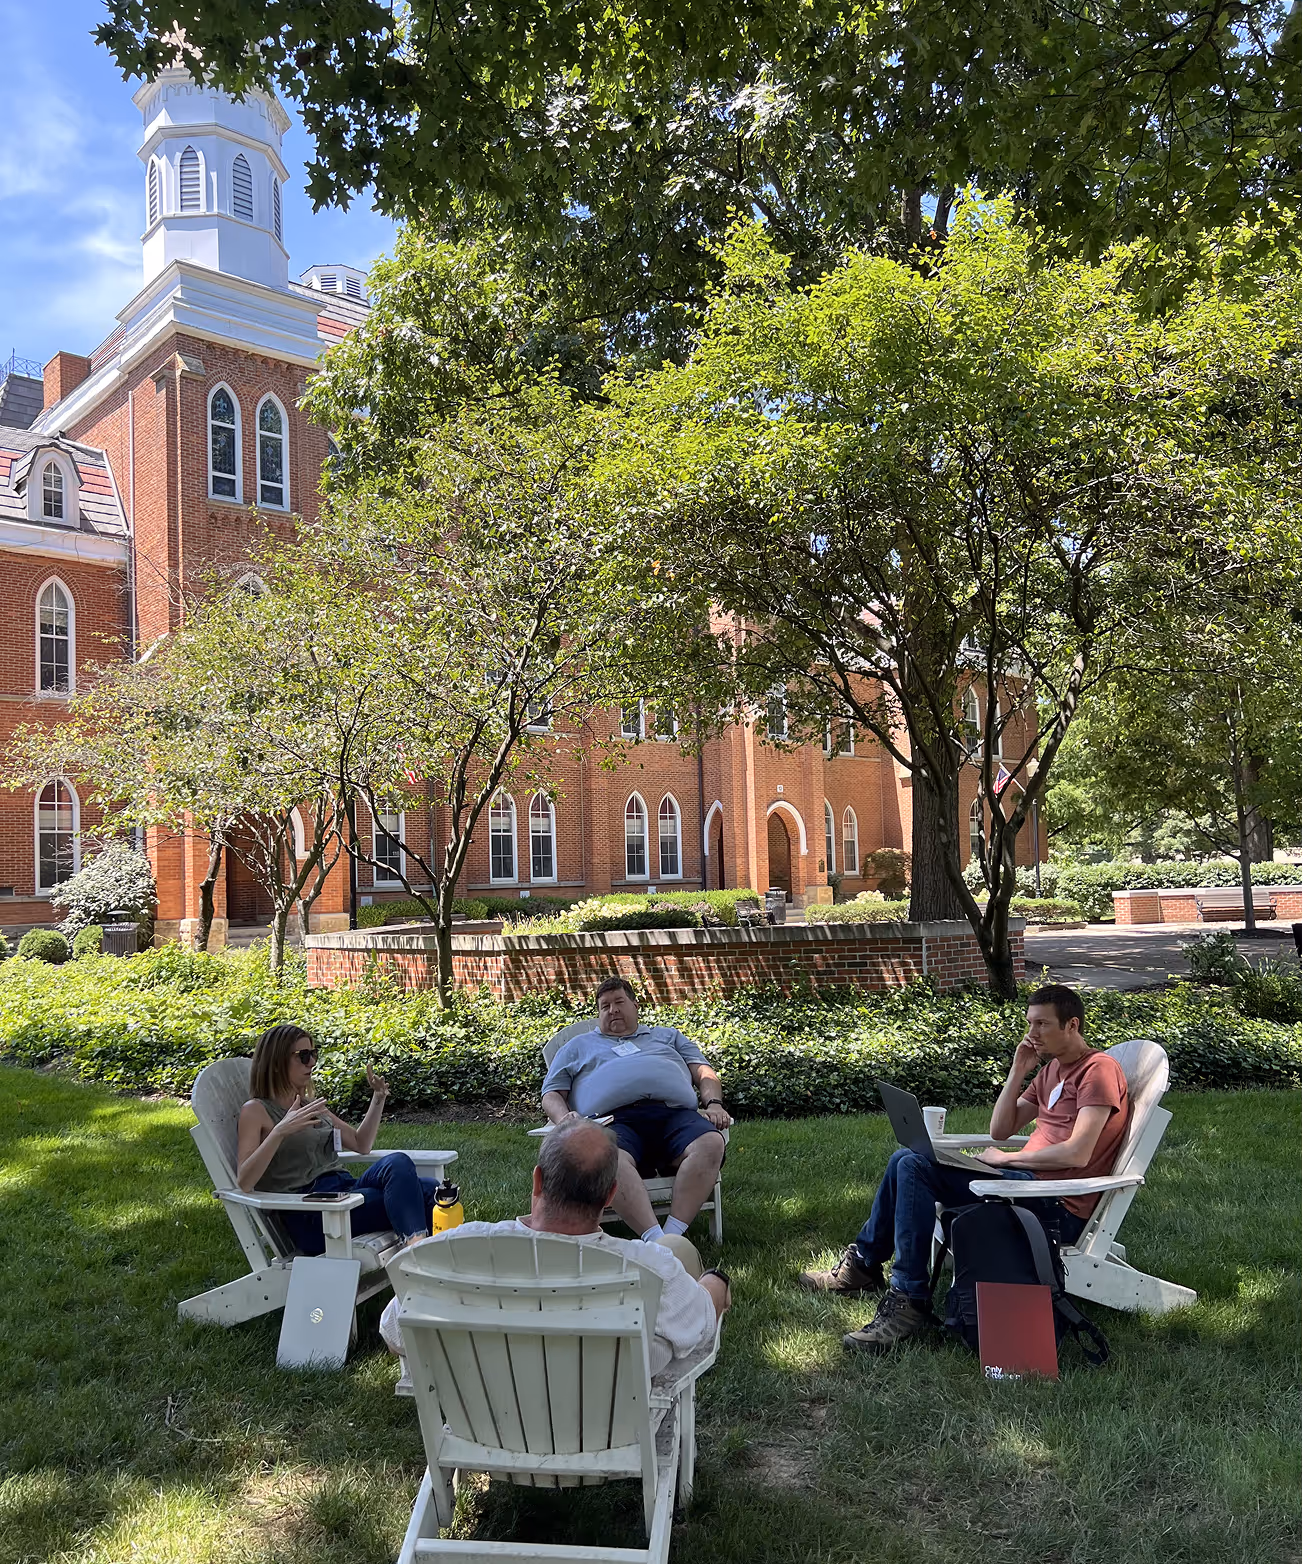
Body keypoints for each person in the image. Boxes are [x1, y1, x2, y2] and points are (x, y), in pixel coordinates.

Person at [799, 983, 1129, 1353]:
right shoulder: (1052, 1070)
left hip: (1052, 1205)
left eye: (1042, 1025)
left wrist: (1005, 1160)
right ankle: (865, 1265)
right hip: (1023, 1185)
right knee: (906, 1159)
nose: (1031, 1034)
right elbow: (1001, 1130)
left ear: (1072, 1024)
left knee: (914, 1167)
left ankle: (907, 1298)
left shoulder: (1098, 1071)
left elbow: (1077, 1154)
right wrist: (1018, 1070)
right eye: (1029, 1024)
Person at [382, 1118, 729, 1377]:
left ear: (537, 1179)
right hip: (608, 1437)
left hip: (488, 1427)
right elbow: (700, 1326)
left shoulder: (453, 1251)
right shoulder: (648, 1268)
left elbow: (394, 1330)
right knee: (682, 1265)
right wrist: (716, 1284)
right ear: (610, 1195)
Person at [539, 976, 732, 1243]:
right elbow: (551, 1093)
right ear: (598, 1014)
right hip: (613, 1121)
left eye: (619, 1002)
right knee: (607, 1158)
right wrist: (564, 1118)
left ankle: (672, 1237)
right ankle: (656, 1241)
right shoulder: (576, 1047)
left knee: (711, 1143)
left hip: (674, 1115)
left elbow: (704, 1072)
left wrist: (714, 1103)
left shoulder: (667, 1036)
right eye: (605, 1006)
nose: (613, 1010)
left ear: (635, 1005)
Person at [235, 1022, 438, 1254]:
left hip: (343, 1191)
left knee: (406, 1168)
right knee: (425, 1193)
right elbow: (245, 1181)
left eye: (313, 1054)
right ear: (277, 1063)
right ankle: (417, 1260)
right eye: (303, 1056)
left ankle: (423, 1256)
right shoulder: (256, 1111)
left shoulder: (311, 1106)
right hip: (313, 1213)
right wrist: (280, 1131)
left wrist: (378, 1098)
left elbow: (361, 1144)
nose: (311, 1062)